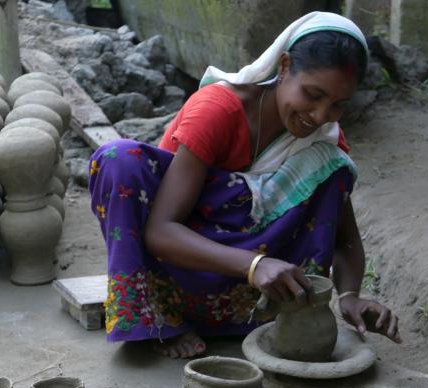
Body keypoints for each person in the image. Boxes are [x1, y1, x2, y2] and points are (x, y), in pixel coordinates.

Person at [88, 12, 402, 358]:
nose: (319, 115)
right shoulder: (218, 110)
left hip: (256, 288)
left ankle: (284, 316)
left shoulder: (322, 142)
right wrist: (254, 265)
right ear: (284, 67)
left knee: (333, 169)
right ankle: (165, 319)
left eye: (337, 105)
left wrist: (350, 297)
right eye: (312, 95)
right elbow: (160, 231)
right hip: (183, 263)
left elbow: (345, 240)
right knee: (118, 160)